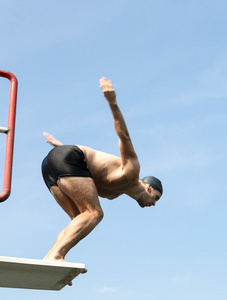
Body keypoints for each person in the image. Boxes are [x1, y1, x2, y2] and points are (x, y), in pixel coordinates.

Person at [41, 77, 163, 265]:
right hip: (68, 158)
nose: (154, 204)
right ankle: (57, 255)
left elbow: (85, 176)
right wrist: (112, 101)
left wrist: (58, 146)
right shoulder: (131, 172)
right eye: (156, 197)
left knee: (79, 219)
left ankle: (50, 258)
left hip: (53, 165)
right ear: (148, 187)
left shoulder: (114, 194)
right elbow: (124, 136)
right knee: (95, 213)